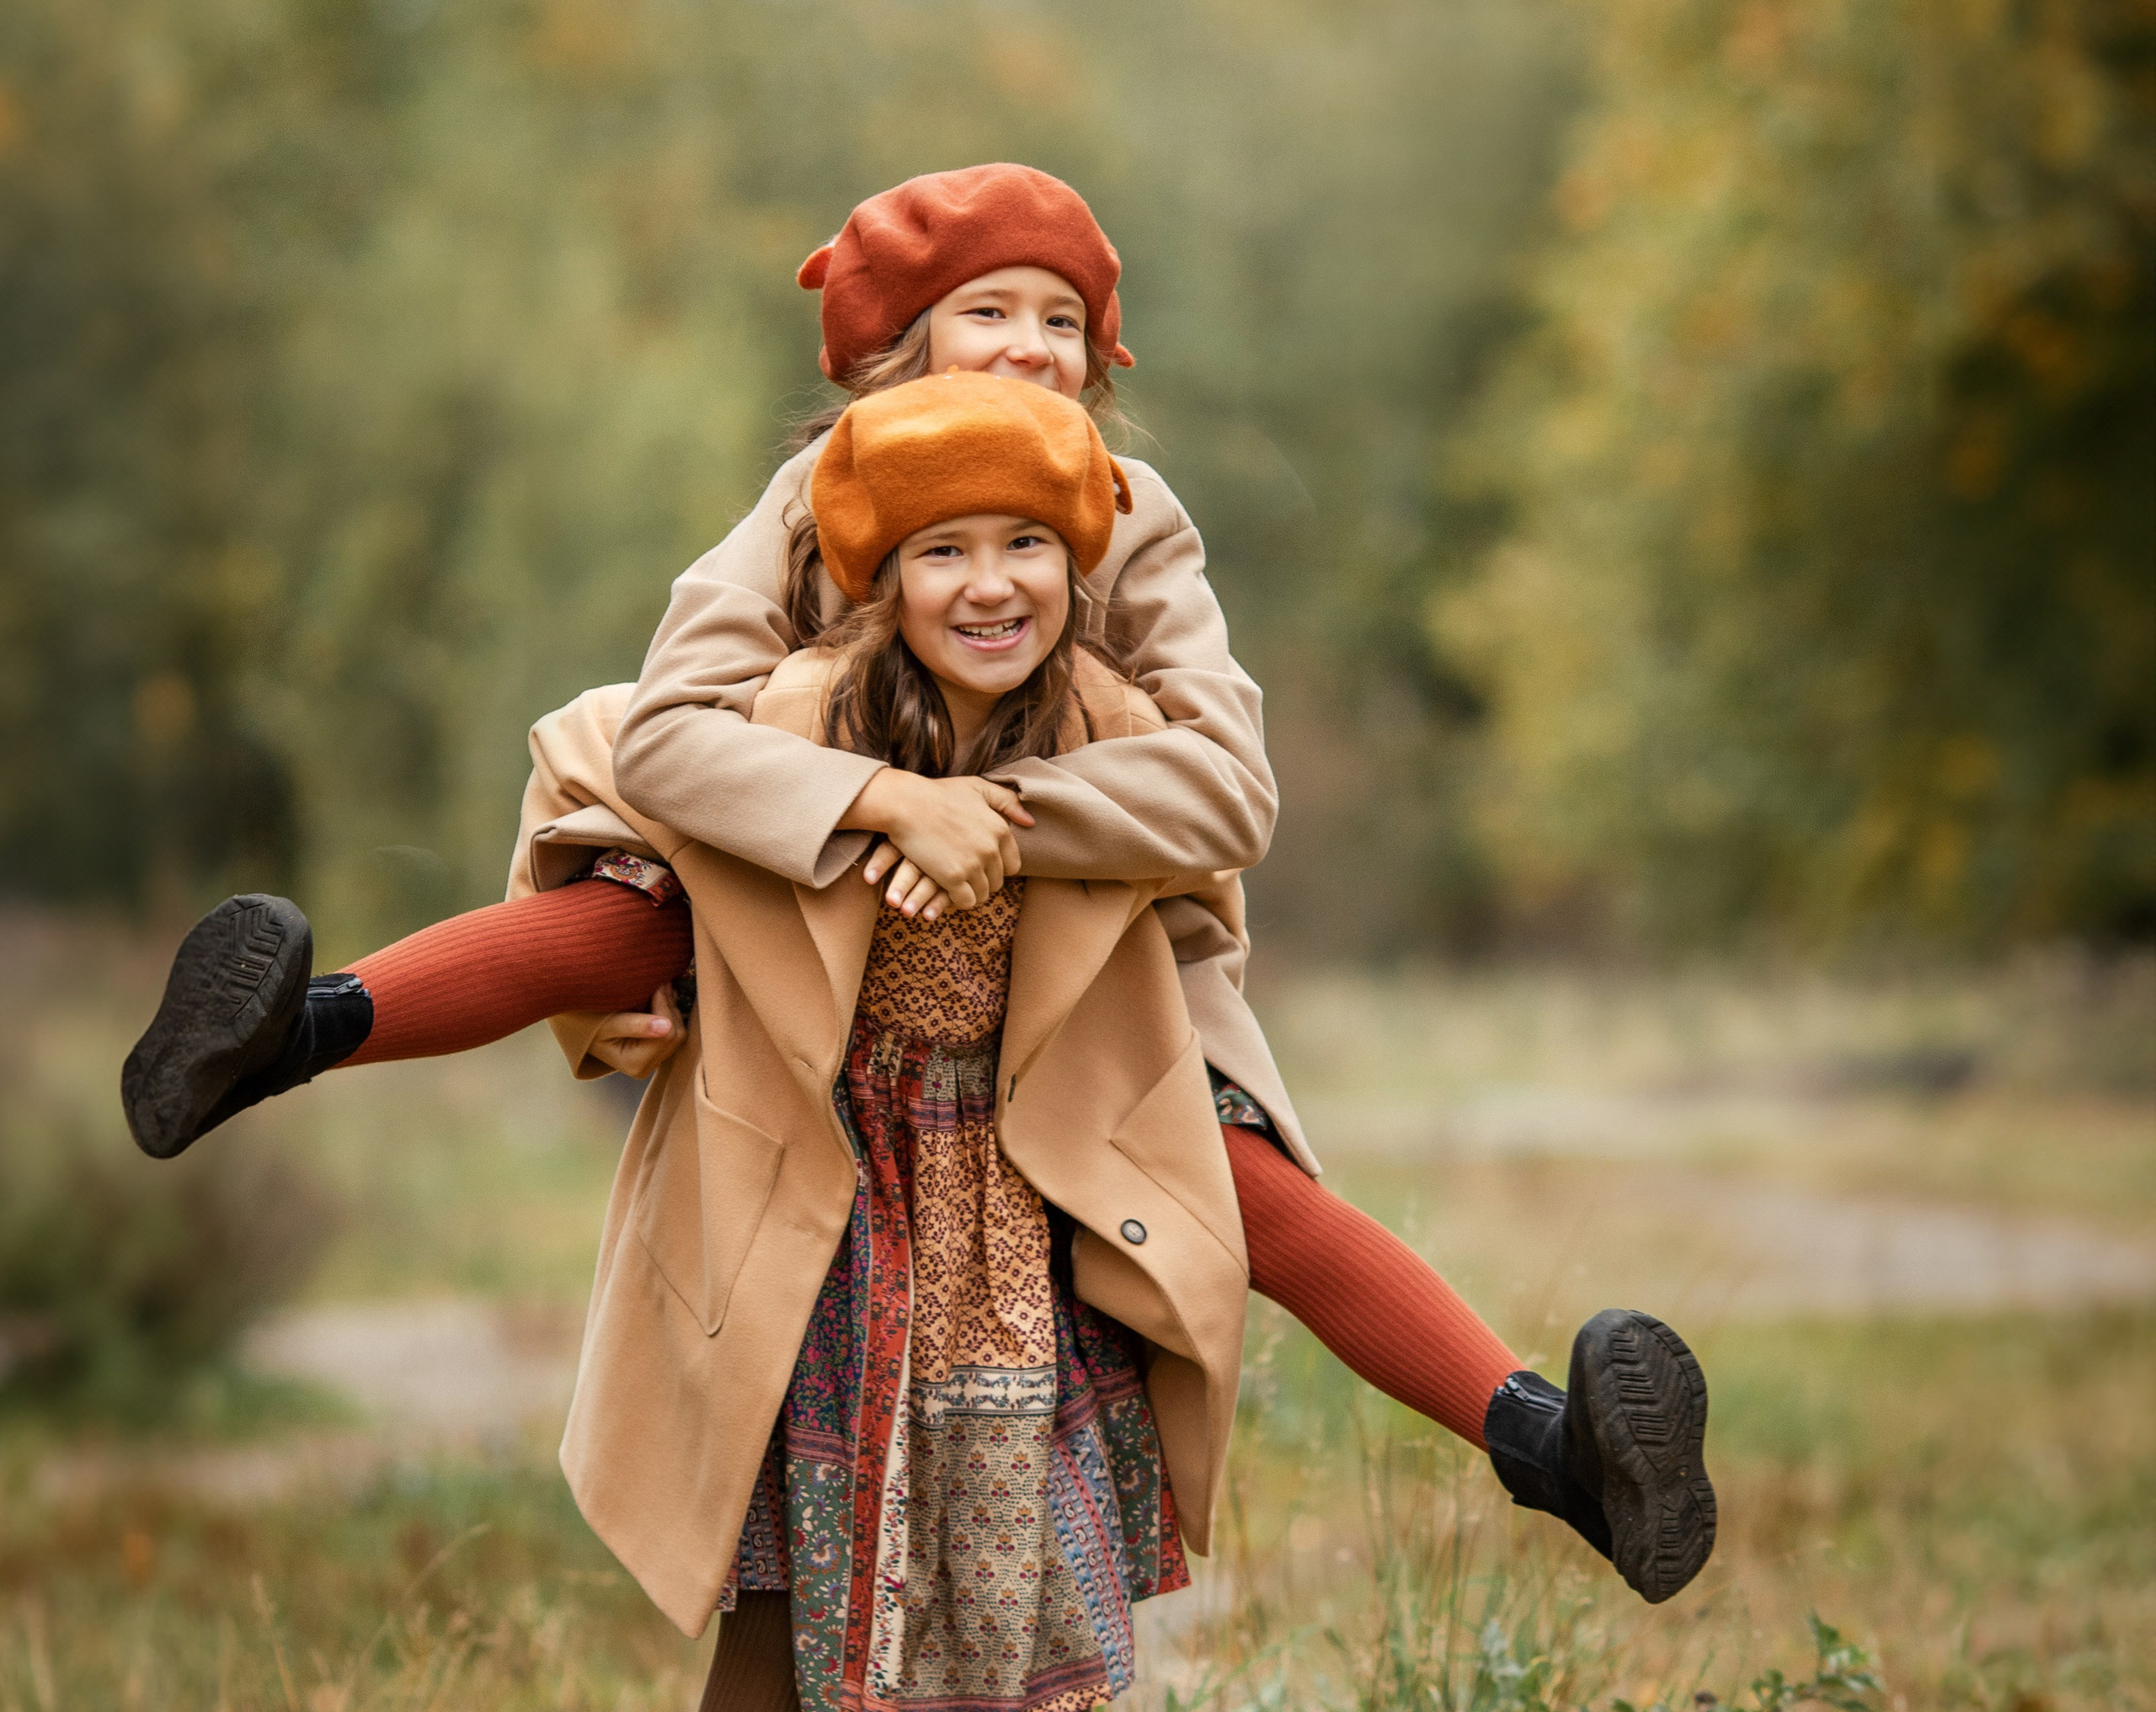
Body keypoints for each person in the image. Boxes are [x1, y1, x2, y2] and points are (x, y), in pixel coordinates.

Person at [120, 163, 1713, 1616]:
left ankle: (1557, 1449)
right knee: (644, 897)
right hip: (828, 914)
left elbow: (1233, 788)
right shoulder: (807, 499)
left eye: (1064, 321)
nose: (1031, 346)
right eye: (989, 312)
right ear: (902, 345)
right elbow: (669, 728)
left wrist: (995, 819)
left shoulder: (1136, 517)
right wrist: (879, 799)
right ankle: (289, 1034)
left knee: (1242, 1188)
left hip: (1084, 948)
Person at [515, 371, 1248, 1712]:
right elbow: (607, 757)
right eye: (941, 551)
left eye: (1026, 546)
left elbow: (1222, 822)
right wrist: (876, 803)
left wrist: (1004, 815)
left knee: (1049, 1622)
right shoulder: (795, 708)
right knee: (768, 1607)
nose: (988, 584)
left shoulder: (1108, 718)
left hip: (1017, 1213)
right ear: (878, 575)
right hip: (821, 1210)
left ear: (1075, 567)